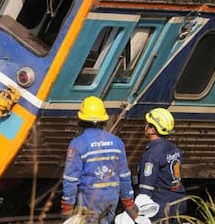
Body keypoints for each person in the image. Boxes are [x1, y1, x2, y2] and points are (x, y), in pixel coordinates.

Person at [62, 96, 137, 224]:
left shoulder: (77, 144)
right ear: (103, 120)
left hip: (89, 198)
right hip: (111, 197)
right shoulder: (117, 142)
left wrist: (67, 205)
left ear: (81, 119)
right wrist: (129, 201)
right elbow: (124, 175)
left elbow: (71, 179)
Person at [137, 108, 186, 222]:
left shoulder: (151, 154)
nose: (145, 125)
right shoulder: (174, 149)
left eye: (147, 123)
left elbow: (146, 188)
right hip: (179, 203)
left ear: (152, 129)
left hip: (161, 206)